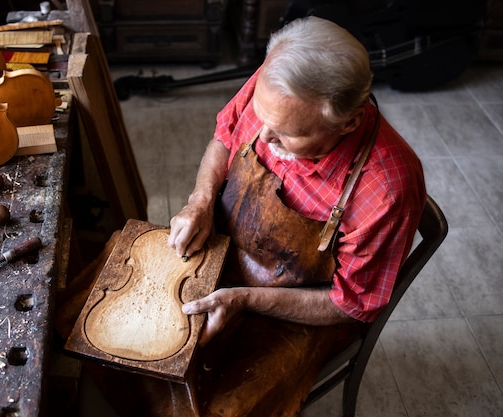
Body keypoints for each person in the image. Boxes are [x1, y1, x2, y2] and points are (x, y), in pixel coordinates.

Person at [57, 15, 426, 417]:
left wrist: (245, 299)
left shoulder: (387, 188)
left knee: (208, 405)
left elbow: (351, 303)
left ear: (348, 121)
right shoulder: (274, 86)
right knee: (87, 309)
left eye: (287, 133)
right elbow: (224, 136)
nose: (265, 137)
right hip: (223, 247)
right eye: (263, 119)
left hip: (295, 310)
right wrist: (200, 200)